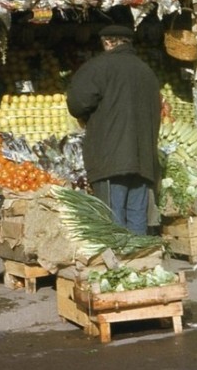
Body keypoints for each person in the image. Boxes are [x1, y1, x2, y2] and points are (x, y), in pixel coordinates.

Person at [66, 24, 161, 235]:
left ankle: (118, 264)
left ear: (108, 42)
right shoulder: (147, 72)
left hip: (111, 159)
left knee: (112, 218)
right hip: (143, 160)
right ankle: (138, 263)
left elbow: (78, 103)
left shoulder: (98, 67)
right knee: (137, 217)